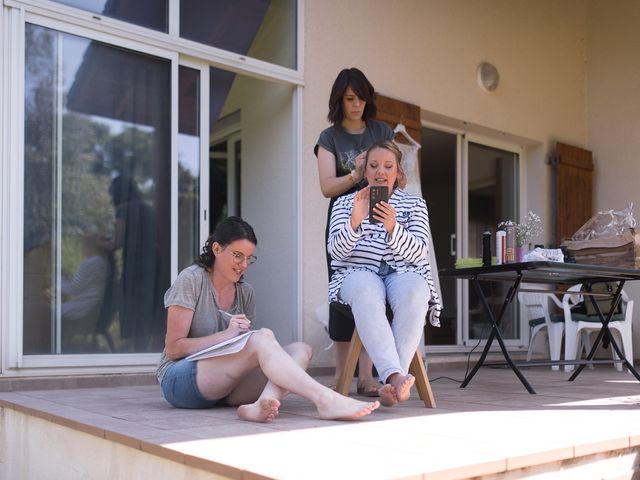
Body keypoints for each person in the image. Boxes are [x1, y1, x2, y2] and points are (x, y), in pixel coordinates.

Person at [156, 216, 379, 422]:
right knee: (263, 337)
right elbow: (174, 348)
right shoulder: (191, 280)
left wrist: (239, 338)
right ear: (216, 249)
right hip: (180, 380)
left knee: (301, 350)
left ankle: (261, 404)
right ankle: (325, 400)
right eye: (237, 255)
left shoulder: (246, 292)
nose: (244, 265)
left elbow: (241, 351)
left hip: (224, 387)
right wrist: (226, 335)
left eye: (248, 258)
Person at [328, 141, 441, 407]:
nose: (381, 171)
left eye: (388, 166)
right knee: (366, 290)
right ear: (365, 172)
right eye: (374, 165)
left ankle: (391, 382)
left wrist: (393, 228)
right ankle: (395, 378)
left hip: (403, 272)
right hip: (357, 272)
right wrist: (354, 222)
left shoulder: (415, 205)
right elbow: (336, 253)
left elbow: (420, 254)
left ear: (398, 172)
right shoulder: (345, 204)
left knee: (416, 291)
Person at [314, 67, 394, 396]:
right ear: (339, 100)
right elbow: (326, 187)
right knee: (342, 294)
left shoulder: (381, 130)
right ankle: (340, 374)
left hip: (381, 214)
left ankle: (367, 375)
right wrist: (357, 173)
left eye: (361, 98)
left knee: (378, 292)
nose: (356, 104)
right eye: (350, 99)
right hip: (344, 220)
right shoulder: (329, 137)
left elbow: (395, 172)